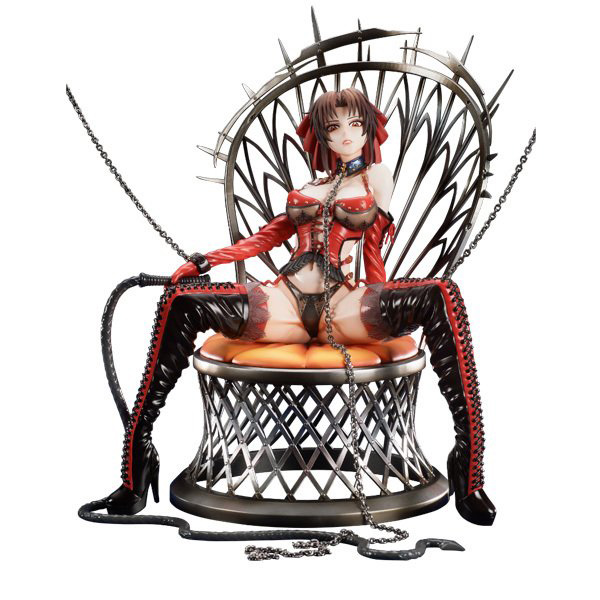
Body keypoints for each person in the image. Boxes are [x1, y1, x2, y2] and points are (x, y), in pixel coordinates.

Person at [105, 88, 496, 526]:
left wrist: (381, 298)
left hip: (344, 304)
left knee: (442, 293)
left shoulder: (376, 177)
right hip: (285, 302)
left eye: (355, 124)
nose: (346, 135)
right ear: (320, 136)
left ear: (368, 129)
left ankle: (469, 465)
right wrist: (204, 261)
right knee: (181, 300)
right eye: (333, 127)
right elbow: (267, 237)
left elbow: (372, 244)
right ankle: (137, 458)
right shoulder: (308, 187)